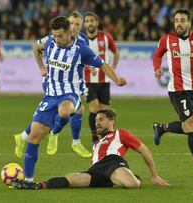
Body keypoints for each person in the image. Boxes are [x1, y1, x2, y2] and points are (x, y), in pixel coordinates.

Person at [21, 16, 126, 184]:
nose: (57, 39)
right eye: (54, 35)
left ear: (70, 32)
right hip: (50, 95)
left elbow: (103, 64)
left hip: (71, 94)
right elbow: (36, 47)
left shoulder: (81, 49)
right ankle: (27, 181)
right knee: (33, 137)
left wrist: (117, 79)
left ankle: (55, 132)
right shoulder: (50, 43)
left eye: (60, 35)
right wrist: (41, 67)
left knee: (64, 110)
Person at [11, 109, 169, 189]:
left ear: (111, 121)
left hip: (113, 162)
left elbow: (144, 150)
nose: (97, 123)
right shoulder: (96, 144)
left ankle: (134, 178)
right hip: (96, 170)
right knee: (71, 179)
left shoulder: (121, 134)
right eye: (96, 120)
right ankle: (37, 185)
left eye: (101, 119)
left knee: (132, 185)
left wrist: (154, 175)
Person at [14, 11, 92, 158]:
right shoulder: (54, 38)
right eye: (72, 23)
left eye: (77, 24)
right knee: (70, 110)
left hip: (72, 83)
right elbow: (36, 46)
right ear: (67, 24)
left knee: (76, 110)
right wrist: (42, 68)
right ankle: (60, 137)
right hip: (54, 82)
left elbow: (82, 62)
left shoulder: (83, 41)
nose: (74, 27)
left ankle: (23, 136)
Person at [152, 9, 193, 177]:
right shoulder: (167, 40)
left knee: (190, 128)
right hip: (177, 90)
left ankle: (161, 128)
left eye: (182, 20)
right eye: (176, 20)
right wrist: (157, 68)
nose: (178, 24)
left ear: (189, 23)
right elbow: (157, 55)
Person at [83, 12, 120, 144]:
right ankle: (94, 138)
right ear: (84, 24)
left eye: (92, 20)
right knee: (93, 107)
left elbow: (116, 53)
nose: (90, 23)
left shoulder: (106, 37)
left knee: (104, 111)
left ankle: (105, 137)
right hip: (88, 80)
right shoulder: (81, 40)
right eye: (87, 21)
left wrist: (113, 69)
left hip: (104, 80)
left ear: (97, 23)